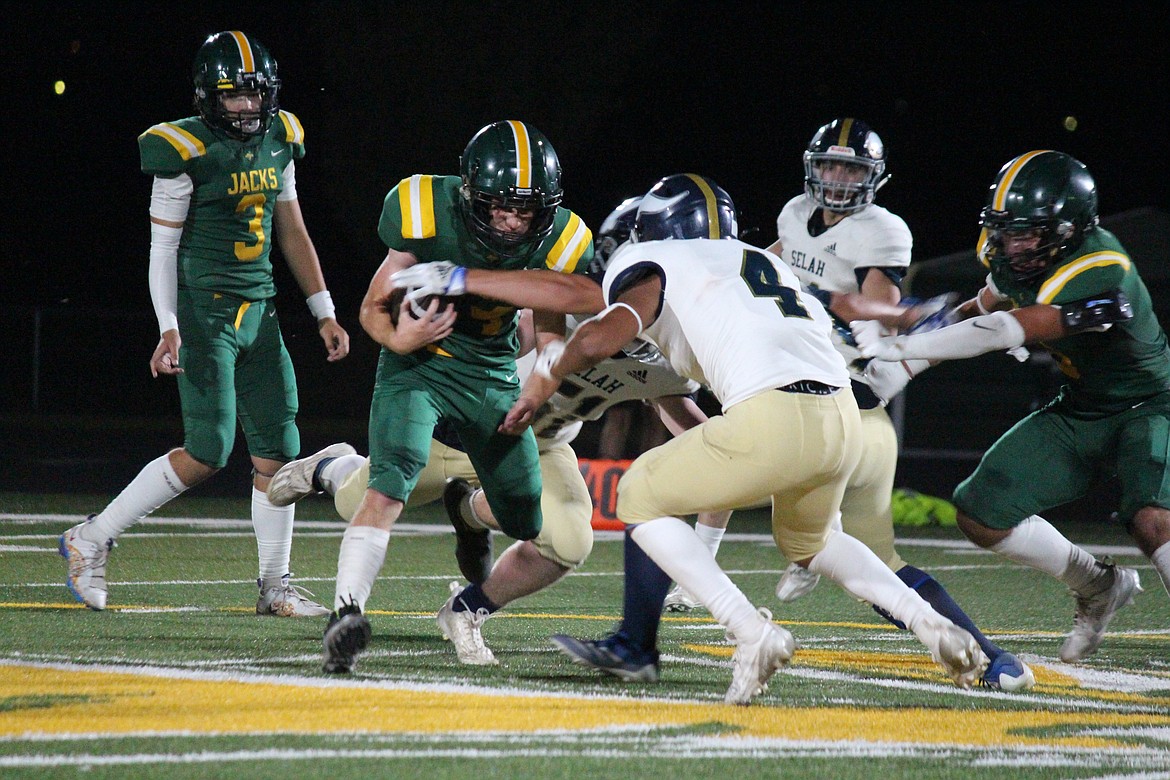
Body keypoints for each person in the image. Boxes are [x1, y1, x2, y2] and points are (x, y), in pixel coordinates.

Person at [396, 173, 989, 705]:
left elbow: (608, 328)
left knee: (640, 494)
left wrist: (545, 373)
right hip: (839, 415)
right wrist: (905, 318)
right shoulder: (763, 260)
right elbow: (837, 311)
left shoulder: (655, 258)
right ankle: (930, 624)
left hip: (772, 409)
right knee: (811, 541)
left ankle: (746, 631)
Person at [274, 196, 730, 665]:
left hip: (541, 446)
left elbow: (707, 443)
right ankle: (331, 467)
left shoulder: (673, 354)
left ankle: (468, 599)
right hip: (461, 431)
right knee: (360, 499)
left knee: (570, 539)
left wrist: (738, 468)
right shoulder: (571, 298)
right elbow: (505, 336)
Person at [665, 119, 1033, 691]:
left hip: (846, 396)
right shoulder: (793, 215)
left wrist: (864, 315)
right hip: (832, 400)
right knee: (866, 556)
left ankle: (695, 590)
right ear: (813, 166)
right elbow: (767, 263)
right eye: (830, 166)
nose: (837, 179)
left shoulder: (881, 230)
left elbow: (877, 305)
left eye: (851, 169)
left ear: (873, 178)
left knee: (696, 467)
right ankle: (990, 660)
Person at [58, 30, 349, 616]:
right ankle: (90, 537)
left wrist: (324, 310)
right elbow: (161, 249)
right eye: (233, 96)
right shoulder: (183, 150)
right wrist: (169, 323)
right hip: (203, 309)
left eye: (255, 95)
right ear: (206, 97)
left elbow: (291, 229)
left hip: (259, 310)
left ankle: (274, 587)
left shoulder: (280, 136)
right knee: (209, 448)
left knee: (279, 452)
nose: (247, 107)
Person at [854, 149, 1163, 663]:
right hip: (1081, 405)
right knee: (982, 511)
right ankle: (1098, 585)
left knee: (1153, 521)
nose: (1012, 244)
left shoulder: (1101, 270)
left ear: (1071, 229)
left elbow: (1003, 330)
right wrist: (906, 361)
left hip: (1150, 404)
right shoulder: (1010, 252)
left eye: (1028, 233)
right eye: (1005, 231)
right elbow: (983, 307)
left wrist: (902, 354)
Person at [318, 120, 596, 674]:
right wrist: (402, 337)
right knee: (391, 478)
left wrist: (541, 377)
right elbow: (374, 307)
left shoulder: (563, 237)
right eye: (500, 208)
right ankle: (346, 614)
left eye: (526, 210)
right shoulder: (423, 208)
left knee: (522, 516)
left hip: (492, 373)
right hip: (418, 364)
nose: (514, 221)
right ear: (470, 194)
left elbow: (549, 327)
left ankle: (467, 514)